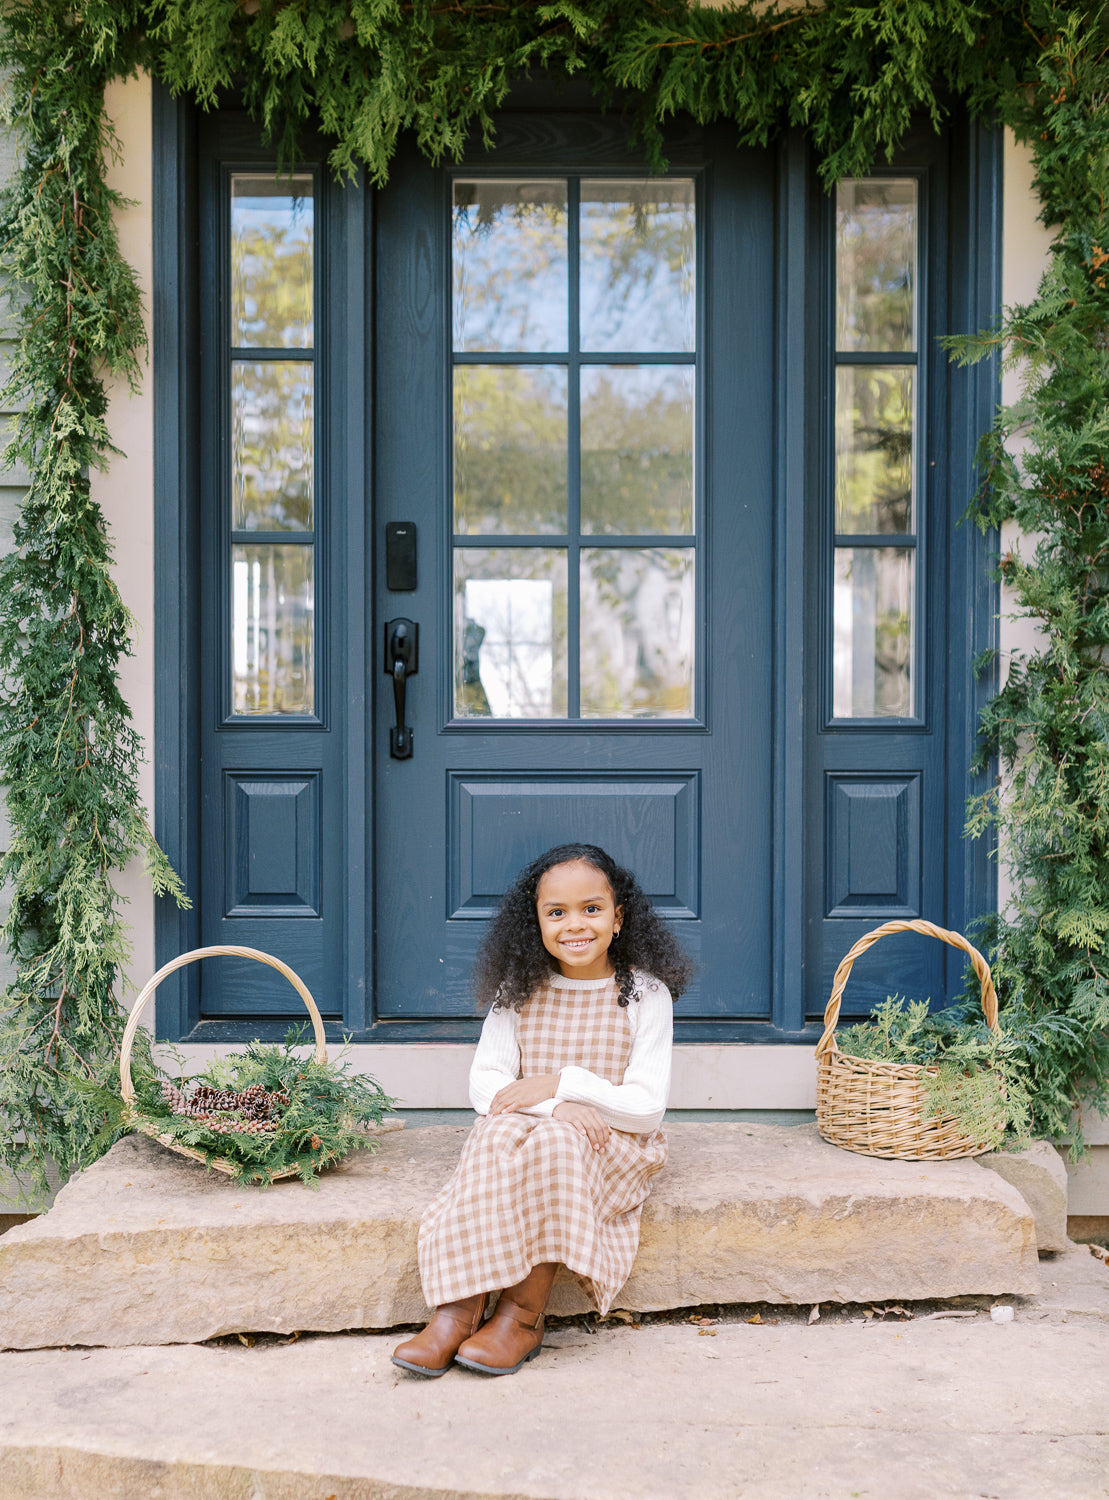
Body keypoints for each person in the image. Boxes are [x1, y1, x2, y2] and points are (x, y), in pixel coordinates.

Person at [392, 842, 693, 1378]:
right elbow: (489, 1088)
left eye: (591, 909)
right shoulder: (520, 989)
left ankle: (523, 1315)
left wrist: (562, 1083)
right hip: (539, 1126)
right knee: (493, 1135)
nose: (574, 925)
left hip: (611, 1142)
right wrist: (556, 1106)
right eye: (556, 912)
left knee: (556, 1144)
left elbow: (645, 1109)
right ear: (535, 922)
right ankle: (458, 1310)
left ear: (619, 917)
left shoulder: (645, 994)